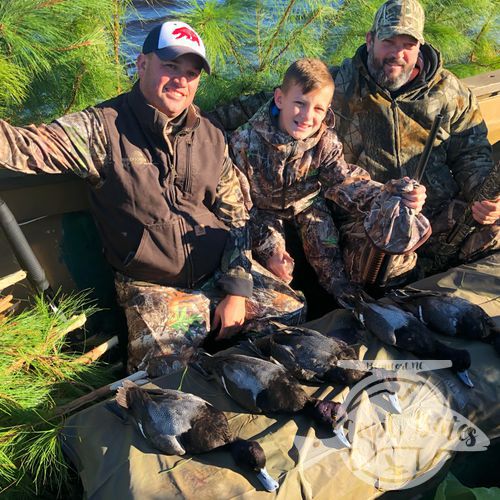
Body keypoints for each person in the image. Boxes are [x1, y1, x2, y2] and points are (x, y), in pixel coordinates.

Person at [0, 21, 306, 376]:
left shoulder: (210, 136)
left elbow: (237, 217)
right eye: (170, 67)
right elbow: (24, 147)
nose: (181, 81)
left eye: (191, 73)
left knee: (291, 315)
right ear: (142, 65)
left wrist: (236, 290)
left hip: (217, 269)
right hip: (153, 285)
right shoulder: (102, 129)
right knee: (165, 375)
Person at [229, 58, 427, 304]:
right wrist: (269, 249)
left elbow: (344, 181)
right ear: (280, 99)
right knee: (278, 265)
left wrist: (391, 194)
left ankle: (347, 302)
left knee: (329, 260)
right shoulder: (244, 142)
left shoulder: (325, 142)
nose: (307, 116)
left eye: (318, 109)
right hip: (263, 212)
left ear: (327, 110)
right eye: (299, 103)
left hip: (308, 206)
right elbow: (242, 207)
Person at [330, 0, 499, 274]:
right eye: (389, 41)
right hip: (372, 217)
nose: (398, 53)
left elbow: (472, 155)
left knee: (494, 232)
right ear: (370, 40)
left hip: (441, 212)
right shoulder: (338, 87)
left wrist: (487, 200)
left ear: (419, 46)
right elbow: (281, 102)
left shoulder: (448, 90)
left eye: (408, 44)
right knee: (384, 262)